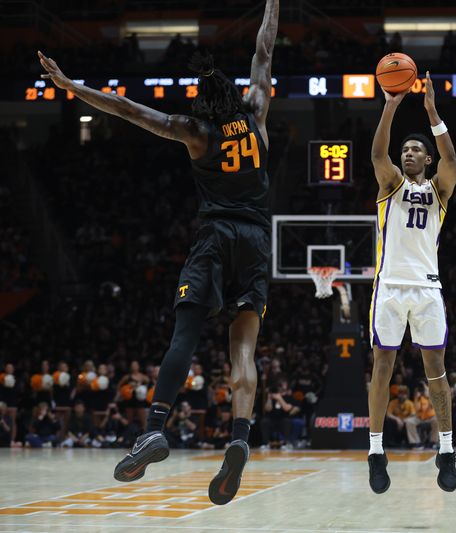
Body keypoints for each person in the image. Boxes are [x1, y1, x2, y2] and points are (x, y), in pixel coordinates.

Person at [37, 0, 280, 506]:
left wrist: (72, 87)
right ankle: (238, 437)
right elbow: (263, 46)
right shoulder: (257, 112)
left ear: (201, 101)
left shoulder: (194, 133)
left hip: (216, 238)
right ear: (236, 94)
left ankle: (155, 428)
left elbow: (127, 109)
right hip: (257, 243)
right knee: (243, 351)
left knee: (185, 335)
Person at [366, 70, 456, 493]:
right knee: (382, 366)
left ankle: (446, 449)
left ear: (427, 160)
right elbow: (376, 154)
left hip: (427, 289)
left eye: (416, 149)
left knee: (435, 369)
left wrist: (433, 112)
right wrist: (389, 104)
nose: (408, 153)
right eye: (405, 149)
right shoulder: (390, 185)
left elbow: (453, 162)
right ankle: (375, 450)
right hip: (389, 287)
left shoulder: (439, 190)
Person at [406, 383, 438, 448]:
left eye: (424, 388)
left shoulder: (431, 394)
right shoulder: (417, 397)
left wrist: (428, 395)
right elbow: (417, 408)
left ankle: (433, 441)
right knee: (409, 421)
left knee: (437, 420)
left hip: (430, 417)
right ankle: (416, 442)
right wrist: (417, 398)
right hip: (419, 418)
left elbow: (432, 405)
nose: (422, 390)